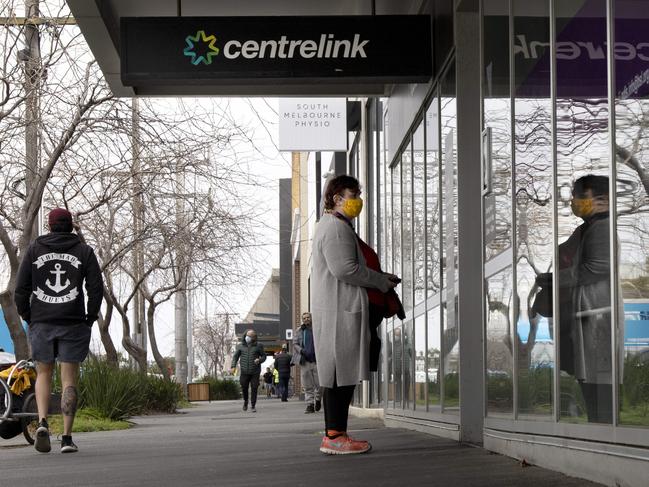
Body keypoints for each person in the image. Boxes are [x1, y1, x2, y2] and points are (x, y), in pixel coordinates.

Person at [311, 175, 399, 455]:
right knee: (340, 375)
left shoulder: (333, 225)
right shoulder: (335, 228)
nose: (357, 200)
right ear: (336, 198)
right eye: (353, 194)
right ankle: (335, 437)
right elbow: (345, 269)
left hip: (340, 309)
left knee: (340, 374)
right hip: (341, 312)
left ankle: (336, 435)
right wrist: (380, 281)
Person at [14, 208, 103, 453]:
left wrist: (29, 316)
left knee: (43, 373)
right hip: (74, 322)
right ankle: (66, 437)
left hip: (42, 321)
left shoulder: (34, 250)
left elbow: (21, 289)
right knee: (69, 379)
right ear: (71, 226)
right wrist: (90, 317)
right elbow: (96, 288)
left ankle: (42, 422)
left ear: (50, 226)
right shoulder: (85, 251)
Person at [536, 175, 623, 423]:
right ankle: (598, 432)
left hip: (597, 316)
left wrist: (554, 280)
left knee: (601, 386)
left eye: (579, 196)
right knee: (591, 384)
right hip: (587, 315)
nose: (574, 201)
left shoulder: (603, 228)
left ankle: (606, 436)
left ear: (603, 199)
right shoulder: (587, 229)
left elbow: (596, 268)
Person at [292, 312, 322, 413]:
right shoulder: (300, 330)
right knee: (307, 384)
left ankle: (318, 399)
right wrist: (301, 350)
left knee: (320, 384)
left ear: (311, 318)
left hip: (317, 360)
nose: (306, 319)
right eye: (304, 318)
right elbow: (295, 343)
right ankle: (310, 404)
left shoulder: (317, 328)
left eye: (308, 317)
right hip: (304, 361)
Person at [230, 329, 265, 413]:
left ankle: (253, 405)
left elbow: (264, 356)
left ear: (253, 337)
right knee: (244, 387)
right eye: (246, 335)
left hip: (255, 372)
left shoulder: (258, 346)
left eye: (249, 336)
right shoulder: (240, 346)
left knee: (254, 388)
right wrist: (233, 366)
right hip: (244, 371)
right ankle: (246, 401)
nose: (247, 337)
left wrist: (259, 360)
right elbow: (235, 357)